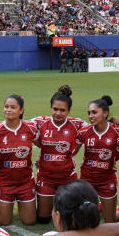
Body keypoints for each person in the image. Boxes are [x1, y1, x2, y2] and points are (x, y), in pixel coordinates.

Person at [31, 85, 85, 224]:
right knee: (43, 219)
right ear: (51, 108)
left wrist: (114, 120)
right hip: (46, 178)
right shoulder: (40, 122)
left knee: (69, 218)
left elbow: (98, 125)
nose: (58, 113)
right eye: (55, 109)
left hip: (67, 178)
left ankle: (99, 206)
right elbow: (16, 124)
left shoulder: (77, 124)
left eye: (62, 110)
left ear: (68, 111)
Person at [0, 95, 39, 226]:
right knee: (3, 221)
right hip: (5, 182)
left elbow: (43, 144)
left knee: (30, 221)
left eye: (13, 107)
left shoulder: (30, 128)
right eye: (6, 106)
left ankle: (22, 204)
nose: (8, 110)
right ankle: (1, 205)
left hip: (26, 182)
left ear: (21, 111)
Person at [77, 96, 119, 222]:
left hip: (107, 179)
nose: (90, 116)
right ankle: (99, 206)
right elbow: (71, 151)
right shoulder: (84, 131)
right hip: (87, 179)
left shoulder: (117, 130)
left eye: (94, 112)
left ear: (105, 113)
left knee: (111, 221)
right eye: (89, 113)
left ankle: (112, 208)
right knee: (84, 220)